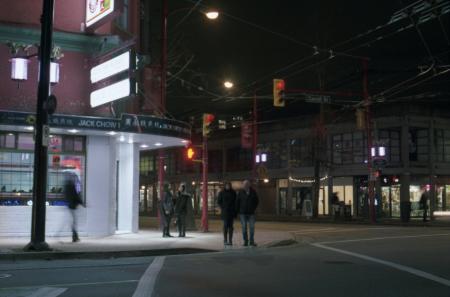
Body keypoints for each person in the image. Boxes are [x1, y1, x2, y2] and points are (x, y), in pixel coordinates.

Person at [236, 180, 259, 247]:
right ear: (243, 185)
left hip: (251, 213)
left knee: (252, 227)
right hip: (242, 213)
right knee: (244, 228)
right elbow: (237, 202)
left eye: (247, 184)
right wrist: (238, 211)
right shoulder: (240, 192)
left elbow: (257, 201)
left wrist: (253, 208)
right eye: (244, 184)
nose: (245, 185)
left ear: (249, 185)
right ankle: (245, 241)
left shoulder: (253, 192)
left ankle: (251, 241)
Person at [64, 173, 82, 242]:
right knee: (74, 221)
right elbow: (75, 195)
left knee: (73, 221)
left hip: (70, 205)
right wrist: (81, 203)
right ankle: (75, 237)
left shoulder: (67, 185)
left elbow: (66, 195)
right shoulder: (71, 186)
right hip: (73, 205)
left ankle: (75, 236)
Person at [218, 182, 237, 246]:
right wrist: (223, 207)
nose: (228, 186)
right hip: (225, 212)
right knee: (225, 225)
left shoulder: (233, 192)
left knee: (231, 226)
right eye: (226, 185)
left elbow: (236, 201)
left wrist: (235, 210)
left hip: (231, 212)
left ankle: (230, 240)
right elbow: (219, 201)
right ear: (225, 186)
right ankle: (225, 240)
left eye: (229, 185)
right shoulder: (222, 193)